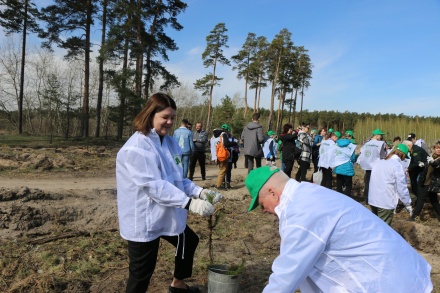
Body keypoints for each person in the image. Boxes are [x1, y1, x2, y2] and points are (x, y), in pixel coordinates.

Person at [244, 166, 432, 293]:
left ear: (272, 193)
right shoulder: (309, 193)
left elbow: (287, 275)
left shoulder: (299, 213)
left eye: (261, 205)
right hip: (402, 270)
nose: (263, 211)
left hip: (386, 281)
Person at [116, 93, 223, 293]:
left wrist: (200, 192)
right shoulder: (137, 148)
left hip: (166, 211)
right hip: (145, 218)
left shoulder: (170, 142)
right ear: (150, 114)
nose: (170, 122)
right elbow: (154, 187)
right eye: (165, 116)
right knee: (141, 275)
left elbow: (177, 179)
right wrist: (190, 203)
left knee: (188, 239)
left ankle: (178, 284)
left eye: (173, 117)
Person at [368, 144, 413, 225]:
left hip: (373, 199)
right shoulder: (397, 165)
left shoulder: (379, 162)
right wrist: (407, 203)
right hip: (385, 202)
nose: (403, 159)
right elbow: (401, 187)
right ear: (402, 155)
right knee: (383, 229)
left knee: (375, 226)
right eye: (404, 157)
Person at [411, 141, 440, 221]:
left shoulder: (437, 160)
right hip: (427, 180)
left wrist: (433, 162)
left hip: (432, 183)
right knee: (434, 201)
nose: (438, 150)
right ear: (434, 149)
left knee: (421, 198)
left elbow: (438, 166)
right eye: (437, 148)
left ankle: (414, 216)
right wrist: (423, 164)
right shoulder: (433, 157)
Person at [356, 128, 387, 203]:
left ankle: (366, 199)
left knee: (367, 183)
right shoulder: (380, 143)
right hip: (376, 167)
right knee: (375, 184)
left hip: (367, 166)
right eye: (380, 135)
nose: (381, 137)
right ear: (376, 136)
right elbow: (383, 156)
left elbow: (361, 152)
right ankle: (374, 199)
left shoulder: (367, 143)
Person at [213, 124, 237, 190]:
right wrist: (234, 143)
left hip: (218, 154)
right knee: (223, 170)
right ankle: (219, 185)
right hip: (223, 155)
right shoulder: (224, 134)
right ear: (227, 130)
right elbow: (226, 144)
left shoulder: (215, 135)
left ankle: (220, 184)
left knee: (221, 169)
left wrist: (214, 156)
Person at [407, 133, 429, 198]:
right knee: (413, 178)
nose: (410, 141)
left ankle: (421, 196)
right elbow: (413, 160)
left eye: (411, 140)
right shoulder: (412, 147)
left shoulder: (420, 145)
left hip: (423, 165)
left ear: (415, 138)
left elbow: (417, 160)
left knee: (420, 181)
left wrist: (409, 168)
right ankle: (417, 194)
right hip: (417, 165)